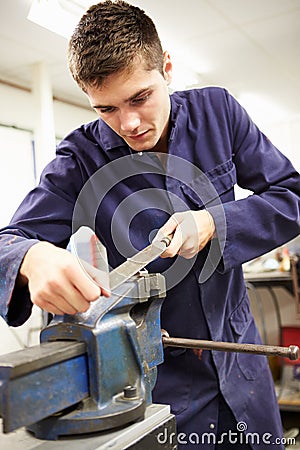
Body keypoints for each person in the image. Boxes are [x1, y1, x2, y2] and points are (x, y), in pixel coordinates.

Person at [0, 1, 299, 448]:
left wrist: (215, 222)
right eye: (107, 109)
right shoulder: (79, 160)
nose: (130, 123)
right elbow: (9, 242)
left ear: (168, 68)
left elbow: (291, 196)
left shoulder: (218, 113)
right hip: (155, 390)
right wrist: (30, 258)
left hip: (241, 366)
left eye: (140, 97)